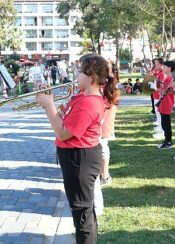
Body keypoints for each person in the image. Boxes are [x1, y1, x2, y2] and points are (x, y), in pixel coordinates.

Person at [36, 53, 118, 243]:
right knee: (83, 211)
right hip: (77, 156)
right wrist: (54, 106)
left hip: (79, 158)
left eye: (80, 72)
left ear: (92, 77)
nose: (76, 76)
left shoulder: (89, 102)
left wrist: (49, 106)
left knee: (82, 214)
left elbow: (63, 133)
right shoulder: (83, 96)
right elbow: (68, 122)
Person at [157, 61, 175, 149]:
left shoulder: (169, 79)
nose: (163, 69)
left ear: (169, 68)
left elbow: (166, 91)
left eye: (164, 67)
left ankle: (168, 141)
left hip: (167, 102)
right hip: (164, 102)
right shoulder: (167, 78)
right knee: (164, 123)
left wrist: (155, 88)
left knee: (166, 123)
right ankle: (166, 140)